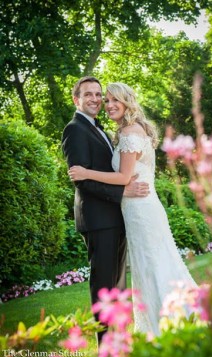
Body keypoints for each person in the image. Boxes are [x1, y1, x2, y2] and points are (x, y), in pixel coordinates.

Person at [68, 82, 197, 336]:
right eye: (105, 100)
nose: (106, 104)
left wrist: (87, 172)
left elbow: (124, 176)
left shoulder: (128, 132)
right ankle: (146, 329)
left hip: (139, 210)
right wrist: (106, 185)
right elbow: (103, 179)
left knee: (152, 264)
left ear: (128, 102)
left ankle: (171, 323)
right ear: (76, 100)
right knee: (144, 266)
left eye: (111, 99)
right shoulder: (80, 130)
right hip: (122, 213)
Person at [62, 77, 149, 344]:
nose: (95, 99)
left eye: (98, 94)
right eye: (88, 94)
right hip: (99, 219)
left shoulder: (100, 128)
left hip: (115, 216)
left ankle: (119, 343)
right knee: (104, 285)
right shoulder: (74, 129)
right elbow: (82, 179)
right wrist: (122, 191)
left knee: (117, 284)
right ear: (76, 99)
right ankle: (106, 348)